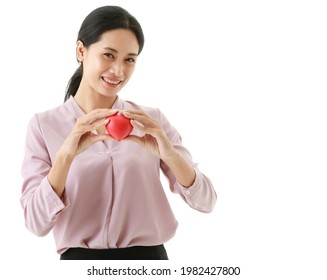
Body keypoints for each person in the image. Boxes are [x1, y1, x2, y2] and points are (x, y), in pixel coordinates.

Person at [20, 5, 217, 260]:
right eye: (109, 55)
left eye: (129, 59)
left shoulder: (152, 121)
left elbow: (206, 201)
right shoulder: (44, 126)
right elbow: (35, 223)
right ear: (81, 50)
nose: (119, 71)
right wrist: (65, 157)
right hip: (80, 266)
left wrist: (170, 155)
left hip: (148, 264)